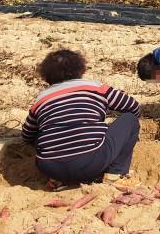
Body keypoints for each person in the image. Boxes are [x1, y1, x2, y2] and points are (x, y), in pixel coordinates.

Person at [21, 50, 141, 189]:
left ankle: (58, 180)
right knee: (130, 120)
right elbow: (133, 107)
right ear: (80, 68)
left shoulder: (41, 99)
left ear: (47, 75)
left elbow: (27, 136)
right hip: (91, 161)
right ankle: (115, 175)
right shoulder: (96, 88)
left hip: (50, 167)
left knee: (40, 131)